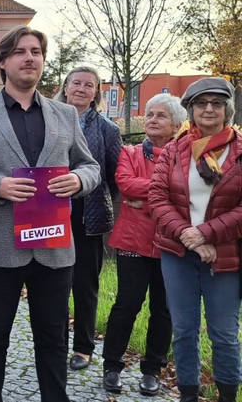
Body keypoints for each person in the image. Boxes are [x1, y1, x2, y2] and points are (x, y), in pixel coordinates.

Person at [0, 25, 100, 402]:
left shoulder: (65, 115)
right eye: (20, 51)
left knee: (53, 336)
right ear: (3, 62)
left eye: (36, 51)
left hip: (54, 246)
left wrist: (78, 180)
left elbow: (90, 166)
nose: (29, 58)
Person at [149, 77, 242, 402]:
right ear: (191, 110)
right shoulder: (174, 151)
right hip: (178, 253)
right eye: (202, 103)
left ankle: (227, 395)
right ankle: (188, 394)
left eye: (217, 103)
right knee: (184, 330)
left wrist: (205, 232)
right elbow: (157, 197)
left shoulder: (240, 151)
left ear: (227, 110)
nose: (209, 109)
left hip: (225, 255)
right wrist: (190, 237)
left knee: (224, 334)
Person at [101, 94, 184, 396]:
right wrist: (165, 194)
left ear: (176, 124)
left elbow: (186, 192)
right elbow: (125, 184)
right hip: (133, 241)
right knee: (127, 304)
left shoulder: (184, 156)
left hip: (170, 243)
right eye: (149, 114)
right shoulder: (130, 152)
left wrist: (145, 201)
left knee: (164, 309)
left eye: (161, 115)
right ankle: (112, 365)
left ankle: (152, 370)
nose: (152, 120)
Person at [54, 66, 122, 370]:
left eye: (89, 85)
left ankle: (83, 348)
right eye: (76, 83)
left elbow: (115, 177)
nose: (81, 89)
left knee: (85, 285)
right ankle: (55, 343)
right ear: (66, 87)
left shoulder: (108, 129)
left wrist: (95, 198)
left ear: (96, 93)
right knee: (54, 283)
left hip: (88, 214)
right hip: (51, 212)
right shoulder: (50, 120)